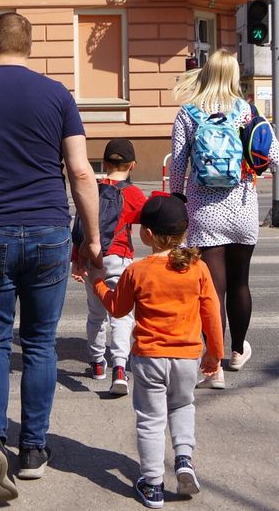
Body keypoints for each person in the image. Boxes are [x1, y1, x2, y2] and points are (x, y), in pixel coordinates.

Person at [0, 12, 102, 503]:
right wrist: (90, 237)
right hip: (50, 231)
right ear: (30, 47)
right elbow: (81, 172)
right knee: (40, 344)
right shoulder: (58, 96)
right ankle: (33, 450)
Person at [89, 194, 223, 508]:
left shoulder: (138, 271)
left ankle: (152, 484)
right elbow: (212, 314)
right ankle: (184, 460)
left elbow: (118, 310)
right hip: (188, 357)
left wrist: (98, 284)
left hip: (149, 358)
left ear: (146, 234)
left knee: (150, 420)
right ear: (184, 232)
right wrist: (214, 354)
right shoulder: (198, 268)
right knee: (182, 406)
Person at [168, 50, 279, 390]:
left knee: (212, 292)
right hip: (243, 207)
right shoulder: (246, 112)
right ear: (233, 74)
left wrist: (179, 200)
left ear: (205, 73)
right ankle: (236, 352)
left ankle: (213, 366)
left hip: (204, 211)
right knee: (240, 284)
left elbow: (177, 165)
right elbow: (275, 157)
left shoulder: (188, 113)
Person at [81, 138, 146, 396]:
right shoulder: (132, 193)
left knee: (95, 314)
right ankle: (120, 367)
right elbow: (146, 217)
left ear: (105, 163)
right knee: (120, 315)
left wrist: (78, 260)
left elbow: (80, 227)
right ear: (133, 166)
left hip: (93, 258)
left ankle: (98, 364)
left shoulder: (92, 190)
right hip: (119, 258)